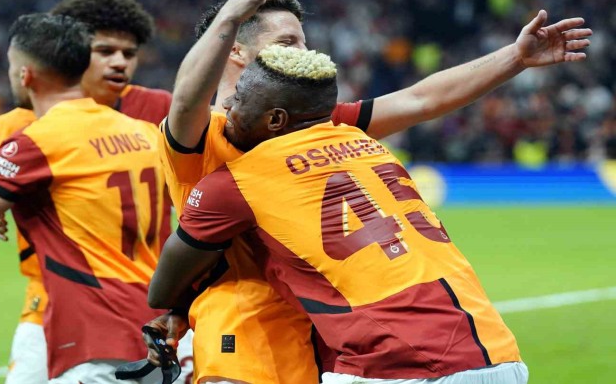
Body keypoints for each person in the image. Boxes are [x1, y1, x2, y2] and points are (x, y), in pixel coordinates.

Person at [151, 0, 590, 383]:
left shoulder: (317, 124)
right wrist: (231, 14)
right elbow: (186, 103)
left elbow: (420, 100)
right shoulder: (205, 133)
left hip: (326, 329)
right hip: (245, 331)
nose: (305, 52)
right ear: (234, 50)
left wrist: (514, 58)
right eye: (288, 42)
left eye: (304, 41)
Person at [150, 45, 530, 384]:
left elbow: (163, 289)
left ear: (276, 119)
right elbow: (420, 98)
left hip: (398, 362)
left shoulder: (237, 180)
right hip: (497, 351)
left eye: (240, 99)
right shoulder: (364, 141)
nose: (229, 107)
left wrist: (178, 307)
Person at [0, 13, 166, 383]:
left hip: (98, 336)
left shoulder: (38, 141)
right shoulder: (143, 132)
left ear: (25, 75)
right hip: (157, 330)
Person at [0, 0, 184, 383]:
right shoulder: (16, 125)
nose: (119, 62)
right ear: (74, 54)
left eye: (129, 53)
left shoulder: (160, 110)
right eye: (105, 51)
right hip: (52, 301)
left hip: (151, 303)